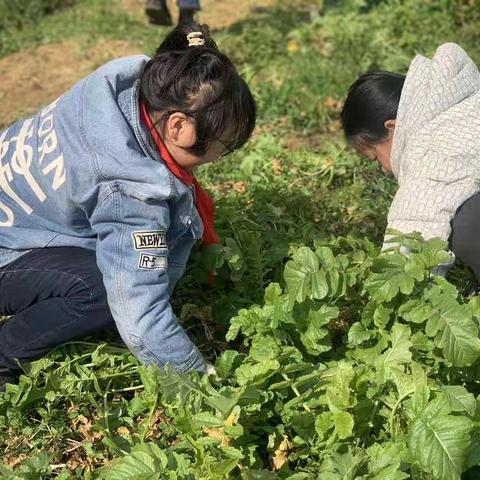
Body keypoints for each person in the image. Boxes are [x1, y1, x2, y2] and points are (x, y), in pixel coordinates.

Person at [0, 23, 256, 391]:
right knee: (104, 289)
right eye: (224, 144)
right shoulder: (129, 195)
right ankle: (5, 354)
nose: (221, 156)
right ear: (179, 126)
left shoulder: (127, 81)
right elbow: (139, 314)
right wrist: (204, 389)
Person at [341, 43, 480, 278]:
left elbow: (415, 228)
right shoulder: (463, 99)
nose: (384, 170)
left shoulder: (428, 149)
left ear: (392, 128)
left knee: (464, 224)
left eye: (375, 157)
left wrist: (393, 294)